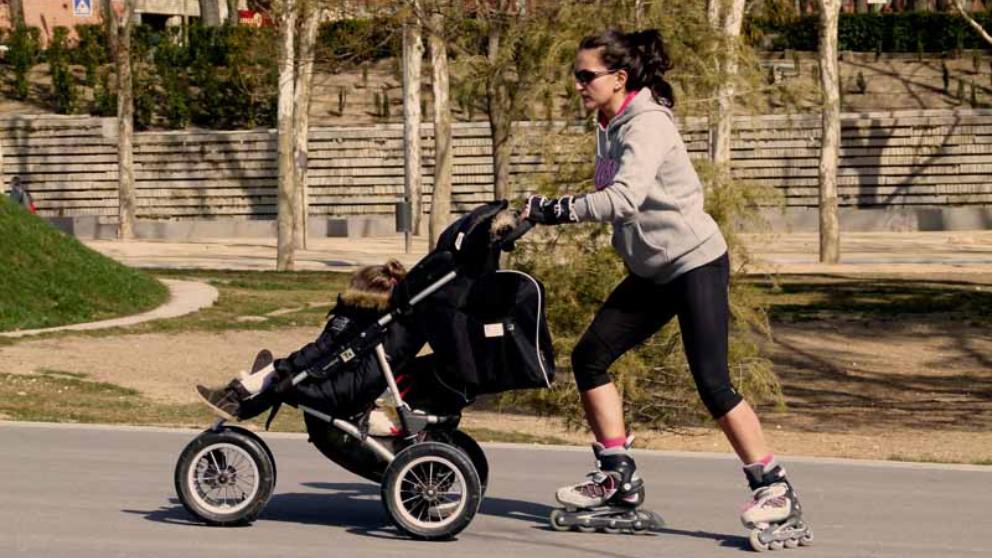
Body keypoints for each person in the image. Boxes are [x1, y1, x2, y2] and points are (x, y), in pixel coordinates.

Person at [523, 29, 811, 546]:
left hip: (695, 263)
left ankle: (774, 487)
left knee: (713, 383)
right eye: (575, 75)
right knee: (590, 356)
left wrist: (554, 209)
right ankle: (617, 477)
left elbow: (624, 198)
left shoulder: (647, 123)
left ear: (619, 77)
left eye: (586, 76)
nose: (577, 84)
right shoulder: (608, 123)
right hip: (652, 272)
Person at [196, 259, 425, 431]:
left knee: (284, 378)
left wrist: (284, 366)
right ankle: (246, 391)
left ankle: (240, 393)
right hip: (357, 385)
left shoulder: (352, 317)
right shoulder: (378, 322)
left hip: (341, 389)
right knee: (283, 377)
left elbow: (320, 349)